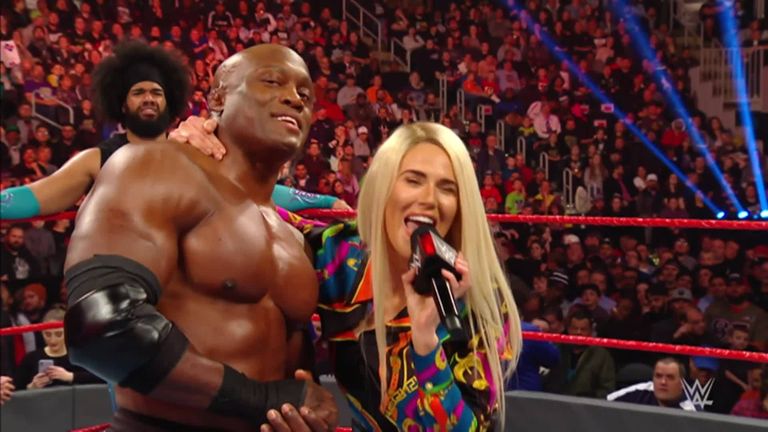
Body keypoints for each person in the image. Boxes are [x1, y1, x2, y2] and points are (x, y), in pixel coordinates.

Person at [181, 120, 524, 431]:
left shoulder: (478, 301)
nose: (429, 199)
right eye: (413, 180)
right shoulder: (342, 259)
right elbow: (254, 200)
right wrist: (194, 151)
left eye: (447, 188)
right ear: (383, 188)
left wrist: (426, 340)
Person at [63, 44, 337, 431]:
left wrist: (304, 414)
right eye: (272, 81)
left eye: (305, 95)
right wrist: (264, 400)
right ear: (219, 98)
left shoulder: (294, 237)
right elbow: (102, 326)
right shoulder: (153, 167)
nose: (294, 98)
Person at [0, 41, 348, 223]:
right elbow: (35, 197)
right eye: (139, 93)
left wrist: (325, 203)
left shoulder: (196, 150)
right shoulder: (97, 160)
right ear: (122, 104)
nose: (149, 99)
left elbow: (253, 192)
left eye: (156, 92)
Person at [15, 308, 101, 390]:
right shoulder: (30, 359)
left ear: (67, 332)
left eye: (59, 334)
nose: (53, 340)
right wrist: (32, 387)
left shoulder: (79, 356)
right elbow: (16, 390)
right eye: (47, 334)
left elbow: (101, 377)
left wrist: (70, 376)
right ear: (42, 333)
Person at [607, 357, 697, 411]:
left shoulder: (689, 411)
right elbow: (604, 404)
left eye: (670, 377)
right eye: (658, 376)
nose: (663, 382)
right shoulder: (639, 391)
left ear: (682, 383)